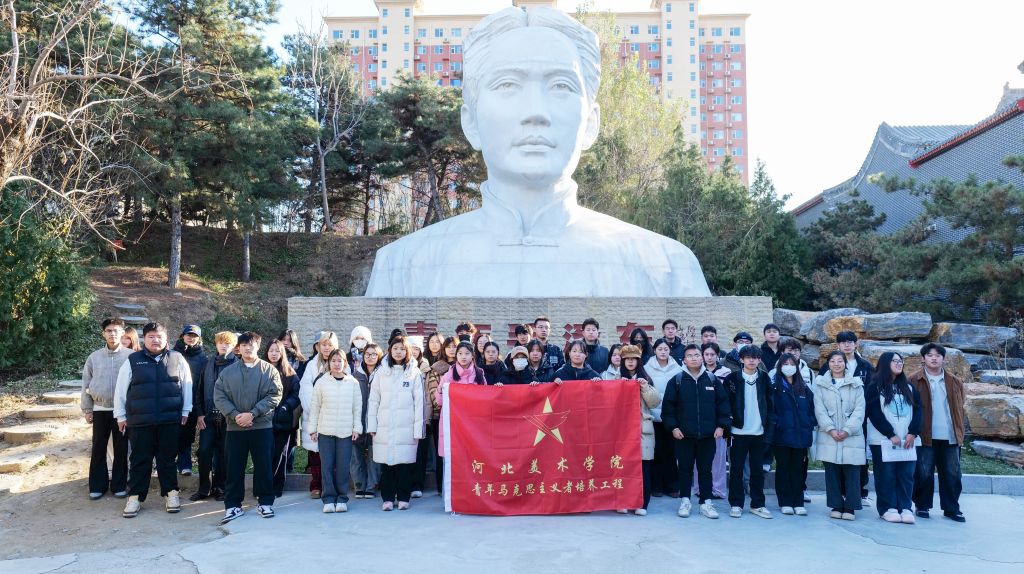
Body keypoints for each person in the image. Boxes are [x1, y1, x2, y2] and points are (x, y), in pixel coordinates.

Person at [363, 6, 711, 299]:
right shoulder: (403, 268)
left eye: (561, 85)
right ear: (470, 122)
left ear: (590, 123)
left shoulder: (666, 268)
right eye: (508, 84)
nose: (536, 111)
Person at [114, 322, 193, 518]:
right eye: (151, 336)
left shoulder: (177, 358)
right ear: (144, 338)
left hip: (169, 419)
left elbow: (187, 385)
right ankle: (135, 497)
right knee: (139, 460)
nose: (155, 340)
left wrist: (186, 409)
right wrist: (120, 415)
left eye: (159, 336)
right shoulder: (133, 360)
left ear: (166, 338)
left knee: (167, 459)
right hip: (140, 421)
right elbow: (121, 389)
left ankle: (171, 494)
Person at [213, 332, 282, 524]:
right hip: (235, 428)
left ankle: (265, 502)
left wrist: (253, 413)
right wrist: (235, 415)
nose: (247, 348)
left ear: (258, 346)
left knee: (264, 466)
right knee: (234, 468)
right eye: (244, 345)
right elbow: (219, 395)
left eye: (251, 345)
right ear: (239, 348)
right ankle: (233, 505)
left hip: (262, 426)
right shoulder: (228, 372)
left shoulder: (269, 370)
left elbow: (275, 395)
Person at [662, 344, 731, 519]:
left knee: (705, 470)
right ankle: (685, 501)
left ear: (702, 358)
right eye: (690, 356)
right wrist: (673, 427)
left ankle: (706, 503)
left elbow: (723, 405)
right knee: (684, 470)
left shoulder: (712, 380)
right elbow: (668, 409)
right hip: (683, 435)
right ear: (684, 360)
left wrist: (721, 426)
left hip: (707, 435)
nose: (693, 358)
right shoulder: (677, 381)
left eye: (696, 355)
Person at [910, 343, 966, 523]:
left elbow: (960, 407)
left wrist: (960, 432)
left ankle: (952, 508)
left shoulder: (954, 381)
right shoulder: (914, 380)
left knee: (952, 474)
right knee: (923, 473)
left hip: (950, 436)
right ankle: (922, 505)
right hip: (925, 436)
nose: (934, 358)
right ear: (923, 358)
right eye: (929, 355)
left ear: (944, 359)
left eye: (938, 355)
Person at [368, 336, 425, 511]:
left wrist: (418, 430)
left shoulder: (414, 373)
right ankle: (387, 498)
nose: (398, 352)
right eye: (395, 348)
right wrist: (372, 425)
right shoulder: (381, 372)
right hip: (384, 425)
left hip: (406, 427)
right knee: (387, 465)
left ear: (407, 351)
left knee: (404, 466)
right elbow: (373, 400)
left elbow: (419, 404)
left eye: (402, 349)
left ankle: (403, 497)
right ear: (390, 350)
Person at [866, 352, 922, 524]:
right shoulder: (874, 387)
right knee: (886, 475)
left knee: (906, 475)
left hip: (908, 440)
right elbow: (874, 413)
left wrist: (913, 432)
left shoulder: (909, 387)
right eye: (894, 361)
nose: (899, 364)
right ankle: (887, 508)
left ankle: (905, 507)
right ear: (885, 363)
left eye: (900, 361)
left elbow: (918, 411)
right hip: (883, 440)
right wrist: (890, 434)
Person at [821, 330, 874, 507]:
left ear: (855, 344)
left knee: (858, 455)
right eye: (843, 342)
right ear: (838, 345)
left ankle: (861, 492)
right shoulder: (828, 366)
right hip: (834, 419)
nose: (847, 345)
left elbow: (871, 391)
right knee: (835, 457)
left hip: (858, 419)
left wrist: (861, 415)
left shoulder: (865, 365)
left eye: (850, 341)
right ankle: (840, 495)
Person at [81, 318, 133, 500]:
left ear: (122, 333)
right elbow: (86, 383)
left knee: (121, 448)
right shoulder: (94, 357)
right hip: (100, 409)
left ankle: (119, 485)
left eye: (116, 330)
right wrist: (87, 409)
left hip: (122, 412)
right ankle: (97, 485)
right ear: (104, 333)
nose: (112, 334)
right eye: (109, 331)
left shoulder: (131, 356)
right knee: (98, 447)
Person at [307, 349, 363, 514]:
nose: (337, 364)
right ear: (329, 363)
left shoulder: (353, 383)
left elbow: (357, 408)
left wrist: (356, 428)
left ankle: (342, 498)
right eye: (334, 361)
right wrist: (312, 429)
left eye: (340, 361)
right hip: (325, 431)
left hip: (345, 432)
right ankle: (329, 499)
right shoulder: (321, 382)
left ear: (345, 363)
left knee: (343, 467)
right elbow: (315, 407)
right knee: (327, 466)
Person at [814, 350, 866, 521]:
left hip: (851, 434)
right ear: (828, 364)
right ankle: (836, 504)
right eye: (833, 361)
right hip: (829, 435)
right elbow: (819, 409)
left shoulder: (856, 384)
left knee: (852, 471)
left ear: (845, 363)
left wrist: (847, 430)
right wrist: (829, 428)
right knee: (832, 471)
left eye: (840, 361)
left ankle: (851, 506)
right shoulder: (821, 384)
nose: (836, 364)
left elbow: (860, 410)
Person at [724, 345, 774, 519]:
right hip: (737, 432)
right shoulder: (732, 379)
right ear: (741, 359)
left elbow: (770, 405)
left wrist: (769, 429)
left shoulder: (765, 378)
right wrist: (727, 427)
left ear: (759, 360)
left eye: (755, 357)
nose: (752, 360)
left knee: (757, 471)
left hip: (759, 432)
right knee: (736, 470)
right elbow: (725, 404)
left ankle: (758, 504)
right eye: (748, 357)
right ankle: (736, 504)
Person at [191, 331, 238, 502]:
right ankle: (204, 488)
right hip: (208, 416)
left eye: (227, 343)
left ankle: (221, 488)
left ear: (234, 346)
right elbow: (199, 390)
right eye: (220, 343)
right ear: (216, 344)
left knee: (225, 453)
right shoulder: (208, 363)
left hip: (229, 417)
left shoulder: (238, 364)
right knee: (204, 451)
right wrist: (199, 414)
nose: (224, 346)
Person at [769, 353, 816, 517]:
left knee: (798, 469)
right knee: (783, 468)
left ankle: (798, 502)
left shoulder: (804, 388)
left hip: (801, 435)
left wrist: (809, 422)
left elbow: (812, 411)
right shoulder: (774, 388)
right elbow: (770, 411)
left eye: (792, 363)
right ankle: (785, 502)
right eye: (785, 363)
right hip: (781, 436)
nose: (789, 366)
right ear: (780, 367)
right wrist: (778, 423)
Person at [436, 342, 485, 495]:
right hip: (453, 424)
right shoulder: (449, 375)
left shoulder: (479, 374)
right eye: (460, 353)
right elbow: (439, 401)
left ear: (473, 356)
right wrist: (440, 391)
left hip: (473, 423)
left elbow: (485, 398)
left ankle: (473, 494)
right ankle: (451, 496)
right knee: (453, 459)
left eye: (467, 353)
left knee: (472, 458)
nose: (463, 357)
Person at [618, 345, 661, 515]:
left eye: (633, 359)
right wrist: (618, 386)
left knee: (644, 468)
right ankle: (623, 501)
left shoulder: (645, 379)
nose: (630, 362)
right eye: (627, 359)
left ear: (639, 361)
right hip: (621, 430)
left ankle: (642, 504)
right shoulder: (616, 379)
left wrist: (645, 387)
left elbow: (654, 403)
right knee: (623, 467)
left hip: (643, 429)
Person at [298, 331, 340, 499]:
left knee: (333, 453)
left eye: (330, 344)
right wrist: (314, 409)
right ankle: (316, 485)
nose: (327, 348)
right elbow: (305, 389)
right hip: (314, 415)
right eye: (323, 344)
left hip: (334, 415)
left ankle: (331, 486)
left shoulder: (341, 362)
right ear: (318, 346)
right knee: (315, 454)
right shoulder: (311, 365)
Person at [645, 338, 683, 498]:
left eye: (665, 349)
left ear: (670, 351)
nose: (663, 352)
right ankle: (657, 486)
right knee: (656, 452)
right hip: (652, 416)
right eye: (659, 349)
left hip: (671, 417)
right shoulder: (647, 368)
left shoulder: (678, 368)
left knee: (671, 452)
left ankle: (672, 486)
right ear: (654, 350)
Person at [266, 339, 301, 498]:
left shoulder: (289, 372)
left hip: (282, 420)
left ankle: (276, 487)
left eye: (277, 351)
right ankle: (263, 486)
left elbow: (296, 394)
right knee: (264, 454)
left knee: (280, 454)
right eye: (271, 350)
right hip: (263, 420)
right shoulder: (261, 369)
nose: (274, 354)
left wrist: (286, 407)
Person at [173, 325, 207, 476]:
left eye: (194, 336)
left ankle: (185, 464)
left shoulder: (203, 359)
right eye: (188, 335)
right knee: (170, 434)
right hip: (172, 401)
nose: (191, 338)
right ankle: (167, 465)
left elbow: (203, 384)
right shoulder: (172, 354)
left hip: (192, 402)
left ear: (199, 339)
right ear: (182, 336)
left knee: (187, 435)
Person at [700, 342, 731, 500]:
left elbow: (728, 398)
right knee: (700, 457)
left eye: (713, 354)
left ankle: (718, 489)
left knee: (719, 457)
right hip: (700, 419)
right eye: (706, 354)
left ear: (718, 355)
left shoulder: (726, 373)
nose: (710, 357)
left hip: (719, 419)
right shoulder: (697, 372)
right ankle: (700, 488)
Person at [351, 342, 383, 499]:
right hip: (357, 420)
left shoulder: (383, 374)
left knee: (373, 455)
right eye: (367, 354)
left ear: (379, 356)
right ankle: (359, 484)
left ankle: (371, 486)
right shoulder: (355, 376)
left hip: (376, 421)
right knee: (356, 455)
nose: (370, 357)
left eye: (374, 354)